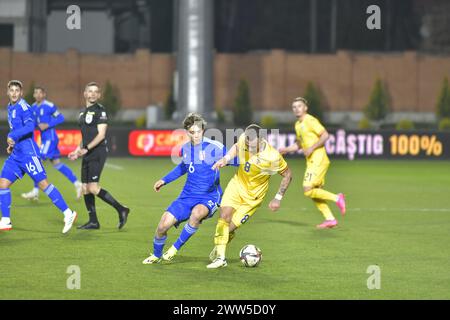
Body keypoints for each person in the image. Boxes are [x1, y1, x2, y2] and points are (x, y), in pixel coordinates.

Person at [143, 113, 226, 264]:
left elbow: (235, 161)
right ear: (186, 132)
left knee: (196, 214)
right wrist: (164, 180)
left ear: (203, 130)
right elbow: (183, 167)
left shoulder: (216, 148)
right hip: (187, 196)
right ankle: (156, 255)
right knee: (162, 226)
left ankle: (175, 248)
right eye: (191, 132)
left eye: (198, 131)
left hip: (209, 196)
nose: (195, 135)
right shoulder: (185, 149)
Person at [206, 124, 293, 269]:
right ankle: (221, 258)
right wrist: (226, 159)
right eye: (247, 142)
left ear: (261, 140)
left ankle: (221, 245)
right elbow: (236, 146)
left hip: (252, 199)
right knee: (224, 217)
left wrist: (278, 197)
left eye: (251, 144)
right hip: (236, 185)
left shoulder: (272, 157)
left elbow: (288, 175)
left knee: (229, 229)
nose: (248, 146)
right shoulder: (244, 139)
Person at [0, 80, 77, 233]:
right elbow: (17, 129)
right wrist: (12, 143)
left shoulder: (24, 107)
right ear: (7, 92)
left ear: (21, 93)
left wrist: (12, 135)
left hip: (29, 154)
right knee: (3, 184)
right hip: (16, 155)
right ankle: (6, 220)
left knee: (44, 185)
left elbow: (29, 127)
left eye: (17, 90)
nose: (14, 93)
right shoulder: (10, 107)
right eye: (12, 90)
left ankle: (68, 213)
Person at [68, 82, 129, 230]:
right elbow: (85, 136)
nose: (93, 94)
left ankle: (121, 209)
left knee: (93, 187)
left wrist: (86, 148)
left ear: (99, 95)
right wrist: (77, 150)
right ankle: (93, 221)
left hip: (98, 152)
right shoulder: (82, 113)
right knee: (84, 188)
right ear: (85, 93)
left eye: (96, 91)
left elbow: (101, 135)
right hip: (87, 152)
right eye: (90, 91)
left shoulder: (100, 111)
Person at [279, 97, 346, 229]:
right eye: (294, 107)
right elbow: (299, 143)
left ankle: (337, 198)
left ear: (305, 108)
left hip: (318, 158)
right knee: (315, 192)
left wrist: (311, 148)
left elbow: (325, 135)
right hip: (311, 161)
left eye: (299, 106)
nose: (296, 109)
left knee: (307, 189)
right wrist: (286, 149)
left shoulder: (310, 120)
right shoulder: (298, 125)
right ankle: (330, 219)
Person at [21, 86, 82, 201]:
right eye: (36, 93)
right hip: (44, 139)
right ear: (34, 95)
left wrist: (48, 124)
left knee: (37, 162)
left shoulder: (49, 105)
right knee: (57, 164)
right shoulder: (33, 107)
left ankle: (35, 191)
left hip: (51, 138)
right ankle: (77, 184)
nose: (38, 95)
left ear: (44, 94)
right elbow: (34, 125)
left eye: (40, 93)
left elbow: (61, 117)